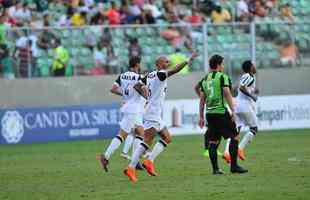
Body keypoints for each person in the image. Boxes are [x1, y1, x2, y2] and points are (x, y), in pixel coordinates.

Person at [123, 52, 198, 183]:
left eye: (168, 62)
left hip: (155, 113)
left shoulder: (149, 75)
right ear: (158, 64)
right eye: (165, 62)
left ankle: (149, 161)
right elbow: (175, 70)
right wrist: (188, 60)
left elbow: (137, 86)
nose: (168, 63)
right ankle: (130, 168)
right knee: (146, 142)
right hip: (152, 113)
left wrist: (146, 96)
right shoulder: (159, 74)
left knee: (167, 138)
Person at [198, 54, 248, 174]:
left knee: (213, 141)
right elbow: (226, 93)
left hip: (210, 114)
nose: (223, 66)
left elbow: (202, 99)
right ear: (219, 65)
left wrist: (200, 116)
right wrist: (233, 111)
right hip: (220, 112)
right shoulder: (222, 77)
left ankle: (215, 169)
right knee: (235, 136)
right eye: (222, 64)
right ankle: (234, 166)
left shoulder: (204, 79)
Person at [98, 56, 148, 172]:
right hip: (134, 109)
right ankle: (106, 156)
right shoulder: (138, 77)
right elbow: (142, 90)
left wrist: (125, 95)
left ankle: (135, 162)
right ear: (137, 64)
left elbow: (113, 89)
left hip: (129, 107)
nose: (140, 66)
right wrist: (147, 97)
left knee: (140, 133)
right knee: (123, 135)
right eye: (139, 64)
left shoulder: (122, 75)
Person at [223, 60, 258, 163]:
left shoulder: (244, 76)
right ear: (251, 67)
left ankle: (226, 153)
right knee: (254, 128)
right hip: (245, 106)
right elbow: (242, 88)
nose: (255, 67)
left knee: (235, 131)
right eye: (254, 65)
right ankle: (240, 148)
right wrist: (252, 96)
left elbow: (239, 88)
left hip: (237, 105)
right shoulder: (249, 76)